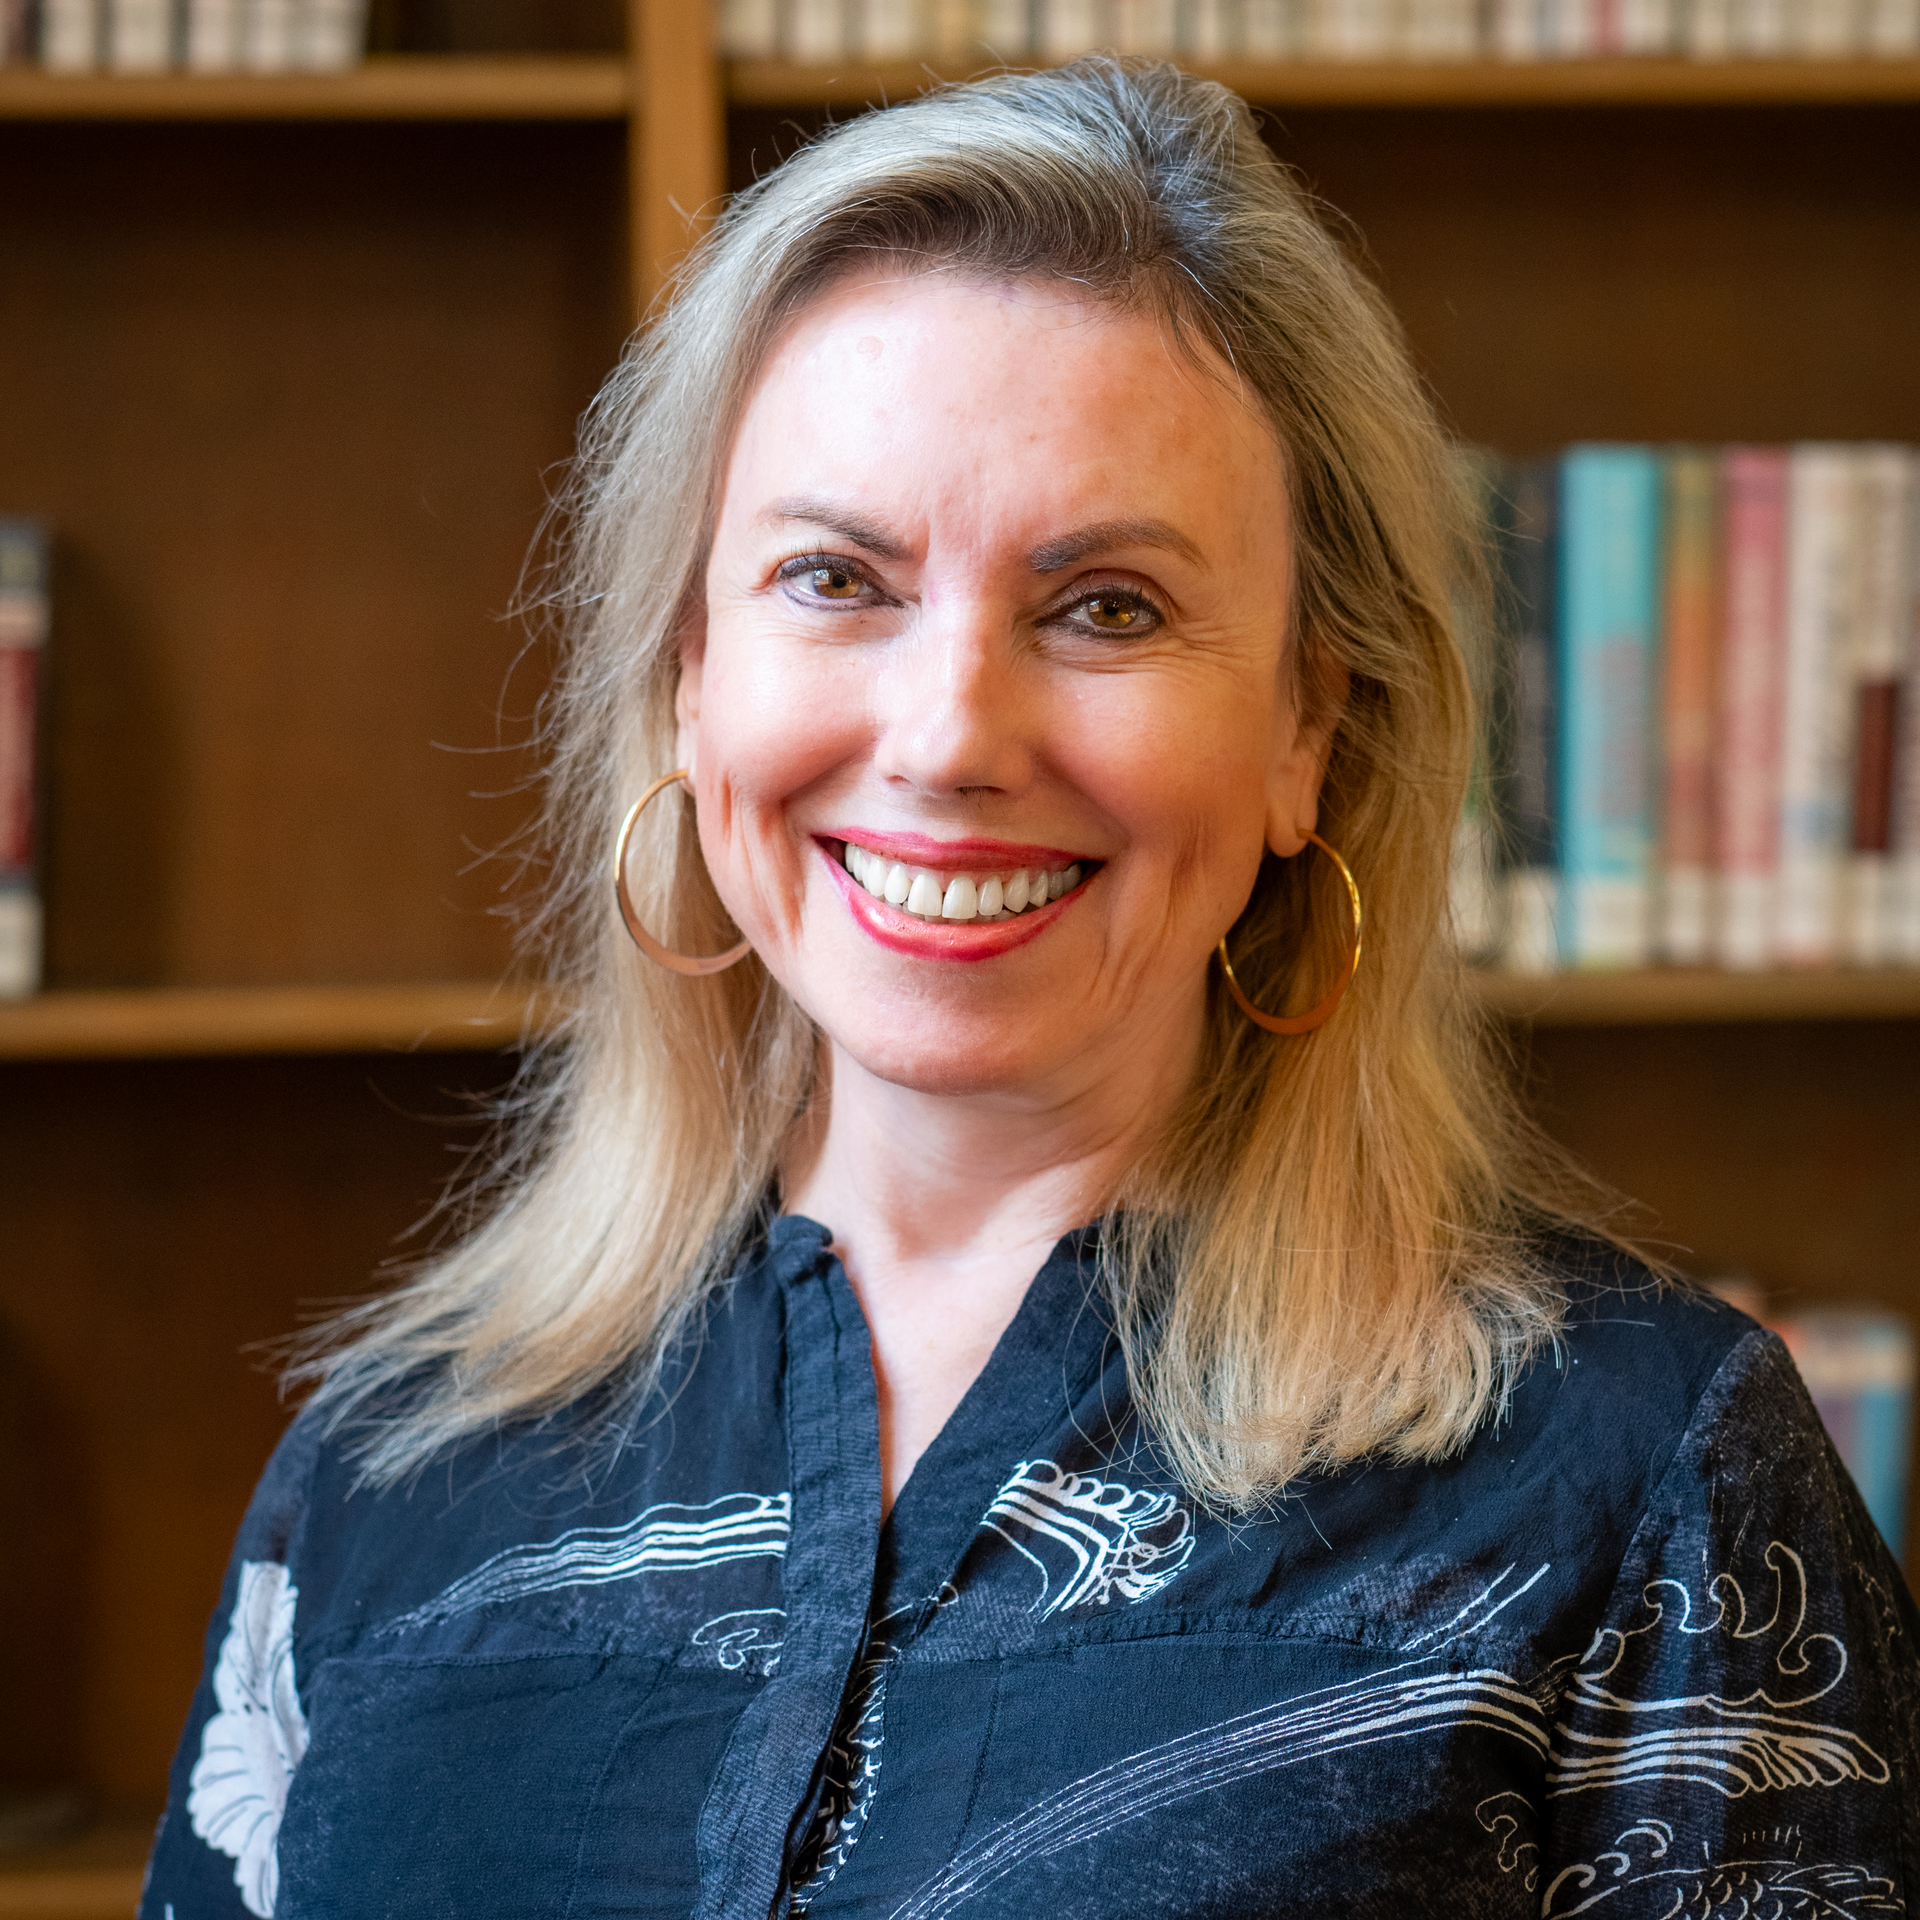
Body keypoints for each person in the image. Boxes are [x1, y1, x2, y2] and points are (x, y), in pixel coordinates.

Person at [142, 59, 1916, 1919]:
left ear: (1313, 725)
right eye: (835, 578)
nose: (948, 734)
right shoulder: (384, 1474)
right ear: (689, 678)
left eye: (1107, 607)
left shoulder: (1641, 1476)